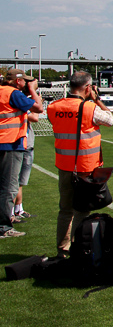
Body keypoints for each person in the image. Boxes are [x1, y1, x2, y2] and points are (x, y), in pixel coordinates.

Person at [47, 71, 113, 257]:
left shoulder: (54, 106)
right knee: (82, 210)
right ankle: (78, 251)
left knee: (65, 210)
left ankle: (62, 250)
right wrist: (97, 99)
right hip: (85, 167)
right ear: (87, 88)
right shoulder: (89, 108)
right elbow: (110, 120)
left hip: (64, 165)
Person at [0, 69, 44, 239]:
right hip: (10, 143)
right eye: (25, 81)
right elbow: (38, 108)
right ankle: (4, 227)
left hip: (4, 141)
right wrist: (33, 90)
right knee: (9, 188)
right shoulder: (14, 93)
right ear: (18, 81)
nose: (26, 83)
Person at [13, 111, 39, 220]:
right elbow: (34, 117)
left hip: (25, 145)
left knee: (20, 182)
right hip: (20, 145)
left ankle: (18, 209)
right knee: (13, 181)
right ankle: (10, 213)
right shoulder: (20, 104)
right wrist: (36, 106)